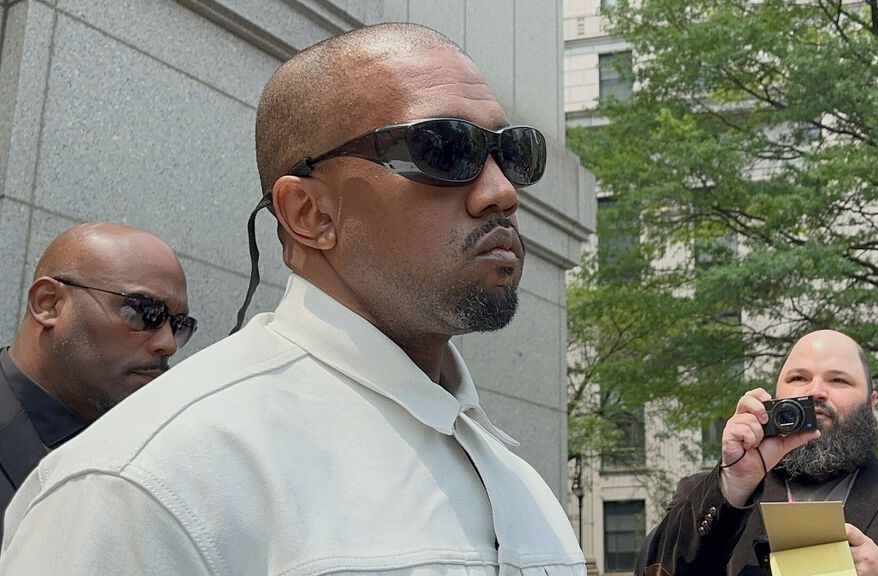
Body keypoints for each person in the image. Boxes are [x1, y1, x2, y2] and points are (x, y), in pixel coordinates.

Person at [0, 23, 585, 576]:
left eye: (514, 153)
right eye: (445, 148)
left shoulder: (521, 483)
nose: (501, 192)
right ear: (309, 213)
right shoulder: (146, 483)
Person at [637, 330, 878, 576]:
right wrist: (735, 483)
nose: (816, 390)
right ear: (776, 395)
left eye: (838, 379)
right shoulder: (709, 494)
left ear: (871, 402)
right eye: (798, 378)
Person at [0, 222, 194, 540]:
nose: (168, 343)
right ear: (48, 303)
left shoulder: (160, 466)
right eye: (144, 311)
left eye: (179, 324)